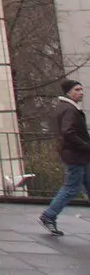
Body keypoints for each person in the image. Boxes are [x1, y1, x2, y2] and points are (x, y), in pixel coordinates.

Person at [41, 78, 90, 236]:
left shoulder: (68, 107)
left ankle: (49, 216)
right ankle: (48, 216)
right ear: (68, 92)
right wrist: (85, 145)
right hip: (76, 155)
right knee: (71, 188)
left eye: (81, 89)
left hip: (80, 155)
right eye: (77, 90)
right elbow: (68, 133)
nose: (80, 93)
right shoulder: (69, 109)